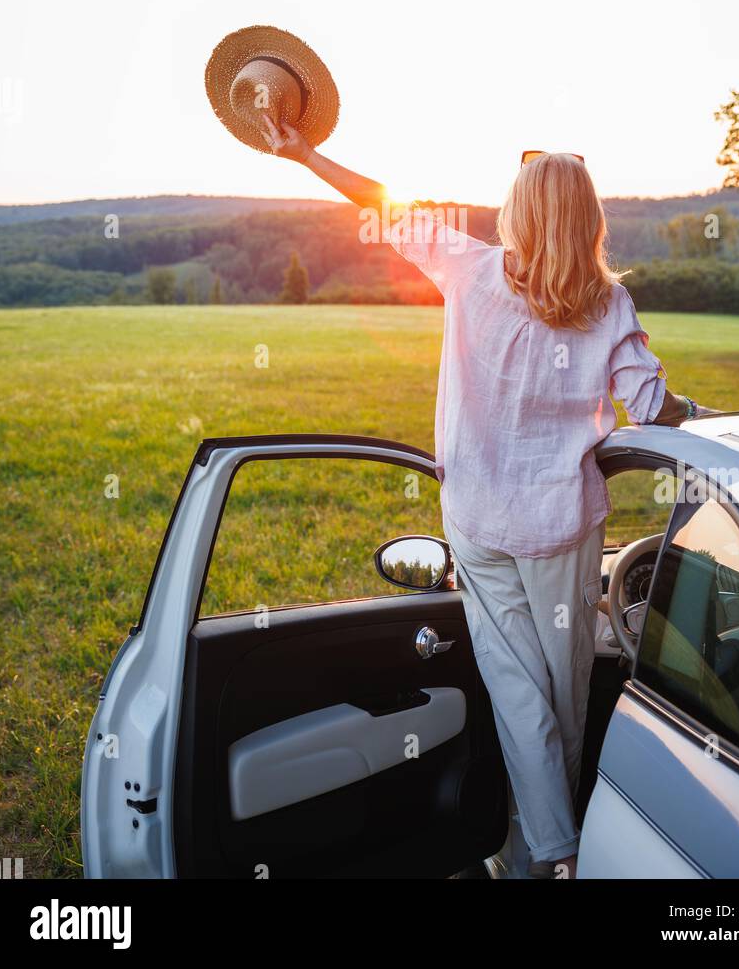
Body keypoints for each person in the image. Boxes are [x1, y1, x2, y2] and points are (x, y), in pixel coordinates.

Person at [260, 118, 714, 878]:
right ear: (587, 219)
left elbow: (375, 202)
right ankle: (559, 852)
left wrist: (303, 152)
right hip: (562, 531)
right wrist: (706, 419)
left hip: (477, 523)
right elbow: (651, 404)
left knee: (518, 694)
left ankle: (544, 852)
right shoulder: (609, 304)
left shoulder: (468, 268)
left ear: (521, 212)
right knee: (566, 698)